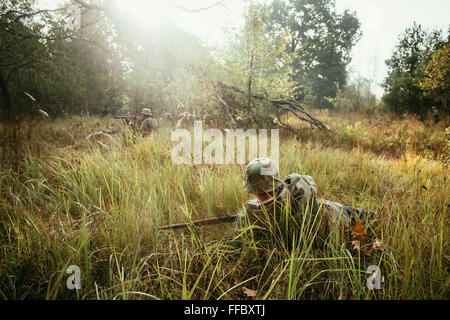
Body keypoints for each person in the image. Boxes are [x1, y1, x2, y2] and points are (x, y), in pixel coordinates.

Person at [233, 158, 372, 245]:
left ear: (251, 187)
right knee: (369, 217)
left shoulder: (247, 216)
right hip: (337, 217)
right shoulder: (296, 188)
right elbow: (306, 182)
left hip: (331, 224)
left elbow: (236, 244)